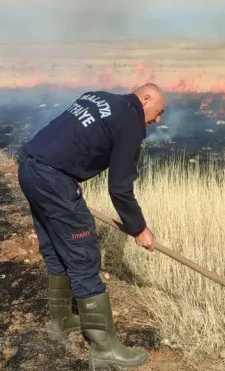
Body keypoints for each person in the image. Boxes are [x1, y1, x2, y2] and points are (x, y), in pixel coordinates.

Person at [17, 83, 165, 368]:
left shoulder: (99, 97)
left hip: (31, 165)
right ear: (145, 98)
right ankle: (104, 348)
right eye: (158, 112)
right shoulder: (130, 122)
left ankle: (61, 322)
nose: (158, 120)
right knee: (83, 256)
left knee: (54, 247)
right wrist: (139, 229)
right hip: (54, 179)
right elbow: (120, 188)